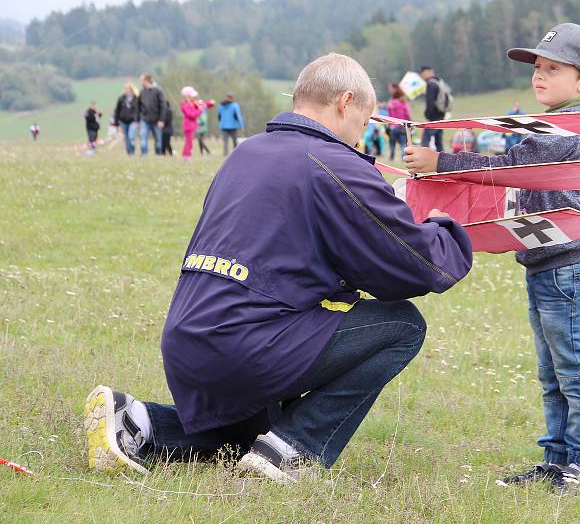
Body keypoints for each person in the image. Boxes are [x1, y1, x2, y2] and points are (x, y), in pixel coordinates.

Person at [83, 53, 472, 482]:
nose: (360, 141)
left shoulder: (247, 152)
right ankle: (295, 452)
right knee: (402, 326)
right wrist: (443, 222)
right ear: (346, 103)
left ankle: (137, 421)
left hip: (189, 340)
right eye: (363, 125)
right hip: (246, 344)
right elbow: (415, 265)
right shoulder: (333, 163)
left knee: (250, 439)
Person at [404, 23, 580, 496]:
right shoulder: (562, 126)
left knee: (574, 369)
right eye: (538, 68)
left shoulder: (567, 130)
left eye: (553, 69)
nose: (539, 76)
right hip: (549, 264)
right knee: (552, 370)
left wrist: (441, 164)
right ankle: (558, 460)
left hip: (568, 267)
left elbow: (506, 167)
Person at [419, 65, 451, 152]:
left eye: (422, 73)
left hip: (433, 118)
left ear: (427, 72)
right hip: (441, 116)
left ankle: (423, 158)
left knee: (425, 141)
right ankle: (442, 160)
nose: (422, 76)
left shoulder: (430, 84)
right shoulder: (439, 82)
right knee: (439, 142)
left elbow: (430, 102)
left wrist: (427, 115)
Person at [138, 74, 167, 156]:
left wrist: (161, 120)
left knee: (158, 140)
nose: (141, 82)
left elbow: (163, 106)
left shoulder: (158, 91)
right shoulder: (142, 92)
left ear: (147, 81)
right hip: (145, 120)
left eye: (142, 81)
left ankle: (158, 155)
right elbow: (138, 106)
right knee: (143, 139)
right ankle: (144, 155)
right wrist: (138, 119)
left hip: (157, 120)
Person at [386, 82, 411, 160]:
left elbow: (389, 114)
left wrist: (389, 124)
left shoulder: (391, 102)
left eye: (391, 88)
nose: (389, 90)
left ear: (395, 88)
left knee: (392, 142)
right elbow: (407, 114)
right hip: (403, 125)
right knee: (403, 142)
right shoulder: (403, 102)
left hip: (394, 125)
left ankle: (392, 156)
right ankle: (402, 157)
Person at [113, 83, 140, 156]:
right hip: (123, 121)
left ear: (131, 89)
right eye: (125, 89)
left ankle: (132, 150)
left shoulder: (136, 99)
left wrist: (138, 121)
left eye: (128, 89)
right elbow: (117, 111)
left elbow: (138, 111)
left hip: (133, 121)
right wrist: (116, 123)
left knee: (131, 136)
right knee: (126, 138)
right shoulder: (121, 98)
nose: (126, 90)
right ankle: (130, 153)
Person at [179, 87, 204, 160]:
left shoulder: (191, 104)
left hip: (191, 126)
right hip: (188, 126)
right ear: (187, 97)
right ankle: (187, 156)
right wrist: (199, 110)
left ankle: (186, 155)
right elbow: (191, 115)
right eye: (192, 96)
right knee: (188, 143)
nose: (194, 97)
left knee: (189, 142)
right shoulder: (186, 105)